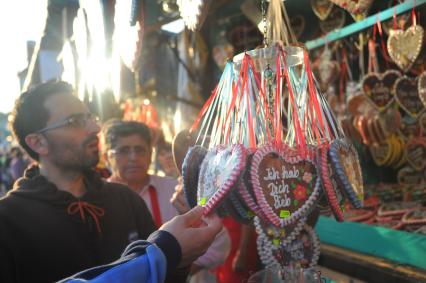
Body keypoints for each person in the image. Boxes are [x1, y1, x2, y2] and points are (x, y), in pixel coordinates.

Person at [0, 81, 214, 283]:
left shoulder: (124, 199)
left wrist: (180, 257)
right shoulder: (9, 221)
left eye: (90, 117)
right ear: (38, 142)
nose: (95, 129)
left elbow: (161, 276)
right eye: (75, 122)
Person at [101, 120, 231, 280]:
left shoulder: (176, 190)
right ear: (106, 157)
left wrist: (175, 270)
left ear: (150, 155)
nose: (133, 157)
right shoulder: (96, 203)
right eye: (123, 151)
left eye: (140, 150)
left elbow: (220, 246)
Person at [61, 206, 223, 283]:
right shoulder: (34, 216)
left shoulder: (124, 198)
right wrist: (168, 249)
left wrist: (175, 263)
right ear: (38, 143)